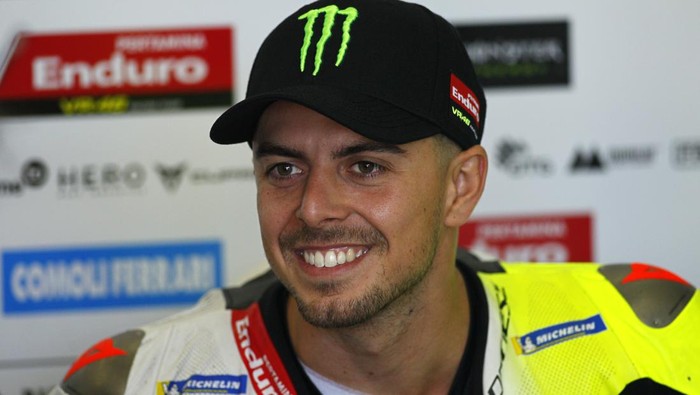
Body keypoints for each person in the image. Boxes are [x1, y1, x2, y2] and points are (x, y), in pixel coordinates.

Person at [50, 0, 699, 394]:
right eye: (283, 168)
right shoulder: (135, 380)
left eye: (363, 165)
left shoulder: (645, 334)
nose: (312, 208)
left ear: (460, 185)